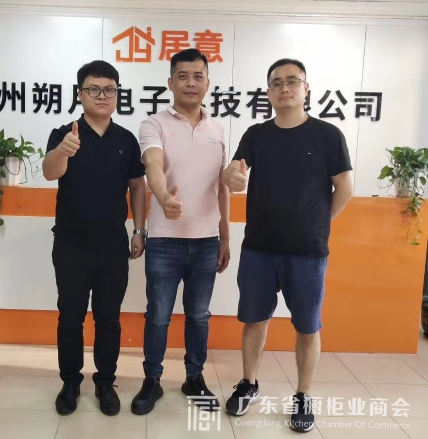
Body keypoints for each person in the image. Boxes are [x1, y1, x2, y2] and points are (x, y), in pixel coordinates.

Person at [222, 58, 354, 432]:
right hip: (259, 248)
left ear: (305, 89)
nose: (285, 88)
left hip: (308, 252)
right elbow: (235, 170)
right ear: (268, 92)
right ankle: (249, 384)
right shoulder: (257, 134)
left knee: (307, 327)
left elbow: (344, 188)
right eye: (277, 83)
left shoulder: (327, 135)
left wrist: (318, 223)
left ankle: (303, 395)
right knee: (254, 320)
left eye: (292, 81)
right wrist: (232, 176)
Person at [42, 60, 147, 417]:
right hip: (71, 245)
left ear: (117, 94)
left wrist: (139, 231)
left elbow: (137, 187)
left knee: (109, 319)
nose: (102, 96)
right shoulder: (65, 133)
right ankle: (70, 383)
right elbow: (49, 172)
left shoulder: (126, 140)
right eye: (93, 89)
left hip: (113, 247)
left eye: (109, 90)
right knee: (70, 317)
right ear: (80, 94)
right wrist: (63, 151)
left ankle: (105, 382)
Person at [130, 48, 231, 416]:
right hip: (164, 240)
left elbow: (222, 186)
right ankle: (152, 380)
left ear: (207, 83)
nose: (191, 83)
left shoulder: (217, 130)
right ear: (170, 82)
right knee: (158, 315)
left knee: (199, 315)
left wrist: (225, 235)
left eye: (198, 76)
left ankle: (194, 378)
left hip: (206, 241)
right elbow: (152, 165)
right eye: (183, 76)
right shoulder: (153, 124)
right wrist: (162, 196)